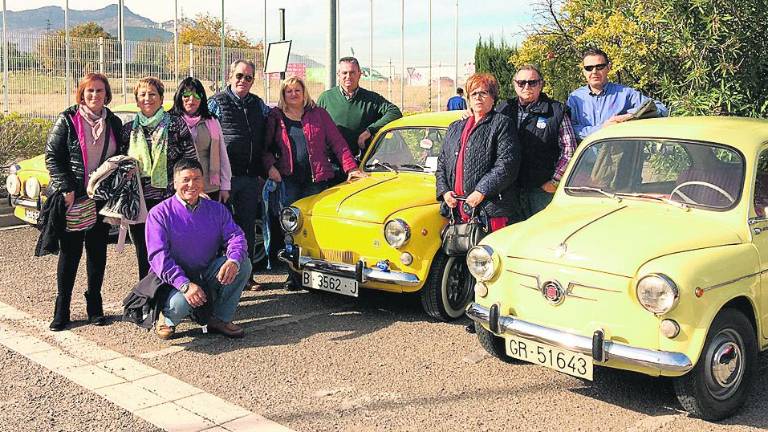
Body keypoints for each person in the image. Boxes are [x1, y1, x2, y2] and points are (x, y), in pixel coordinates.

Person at [44, 73, 123, 331]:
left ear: (107, 94)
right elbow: (52, 157)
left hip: (100, 198)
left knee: (98, 251)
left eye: (99, 91)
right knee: (70, 252)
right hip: (74, 198)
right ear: (82, 94)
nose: (94, 96)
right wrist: (66, 187)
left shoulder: (114, 122)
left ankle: (94, 305)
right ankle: (62, 308)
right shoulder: (67, 120)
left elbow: (120, 158)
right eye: (89, 91)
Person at [145, 158, 251, 340]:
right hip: (173, 281)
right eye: (185, 179)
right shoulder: (159, 213)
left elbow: (236, 236)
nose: (191, 184)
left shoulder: (216, 209)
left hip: (206, 271)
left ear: (203, 181)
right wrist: (184, 285)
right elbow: (158, 257)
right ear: (175, 182)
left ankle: (219, 319)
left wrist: (233, 260)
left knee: (244, 265)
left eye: (197, 179)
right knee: (179, 305)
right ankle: (167, 317)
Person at [121, 76, 196, 281]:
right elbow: (119, 164)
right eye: (142, 94)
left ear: (161, 99)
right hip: (138, 201)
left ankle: (174, 296)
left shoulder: (176, 125)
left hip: (169, 199)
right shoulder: (128, 130)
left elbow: (190, 161)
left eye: (153, 94)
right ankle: (146, 300)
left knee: (171, 250)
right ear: (137, 100)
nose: (148, 98)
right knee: (143, 252)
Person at [208, 59, 271, 290]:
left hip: (250, 177)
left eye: (248, 77)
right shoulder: (216, 103)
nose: (243, 81)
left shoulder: (258, 104)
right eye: (239, 76)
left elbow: (273, 124)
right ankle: (218, 277)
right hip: (224, 179)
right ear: (229, 76)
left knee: (246, 229)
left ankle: (246, 276)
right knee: (220, 230)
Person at [436, 73, 520, 233]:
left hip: (489, 210)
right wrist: (445, 191)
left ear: (493, 97)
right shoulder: (455, 127)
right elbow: (442, 164)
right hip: (457, 209)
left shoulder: (502, 124)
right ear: (468, 98)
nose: (478, 97)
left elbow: (507, 164)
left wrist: (481, 191)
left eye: (484, 93)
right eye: (474, 93)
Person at [264, 76, 365, 206]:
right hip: (287, 180)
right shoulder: (276, 117)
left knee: (314, 217)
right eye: (289, 91)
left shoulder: (319, 114)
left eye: (297, 90)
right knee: (290, 220)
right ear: (283, 95)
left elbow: (338, 143)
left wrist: (351, 168)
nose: (293, 94)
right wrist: (270, 168)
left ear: (304, 92)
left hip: (316, 181)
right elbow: (265, 148)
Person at [496, 65, 577, 219]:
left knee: (543, 237)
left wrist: (554, 181)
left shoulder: (556, 111)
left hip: (541, 192)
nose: (527, 86)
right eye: (521, 83)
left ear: (541, 84)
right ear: (514, 84)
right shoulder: (504, 109)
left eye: (532, 82)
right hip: (509, 191)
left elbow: (569, 149)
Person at [567, 47, 669, 141]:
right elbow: (570, 129)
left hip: (619, 158)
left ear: (608, 68)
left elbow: (661, 109)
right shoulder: (575, 98)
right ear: (584, 71)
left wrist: (629, 117)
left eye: (599, 67)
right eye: (589, 68)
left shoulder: (625, 94)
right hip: (586, 158)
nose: (594, 71)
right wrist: (601, 129)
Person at [317, 56, 402, 160]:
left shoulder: (372, 99)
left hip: (362, 161)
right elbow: (315, 126)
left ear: (359, 74)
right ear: (338, 75)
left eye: (352, 72)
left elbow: (394, 112)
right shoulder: (326, 98)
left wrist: (370, 131)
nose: (348, 76)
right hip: (333, 162)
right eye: (344, 73)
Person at [171, 77, 232, 202]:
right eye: (186, 95)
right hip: (181, 187)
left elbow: (222, 155)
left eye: (196, 95)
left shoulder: (212, 121)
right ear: (179, 97)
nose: (191, 99)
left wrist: (225, 186)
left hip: (210, 187)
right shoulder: (171, 121)